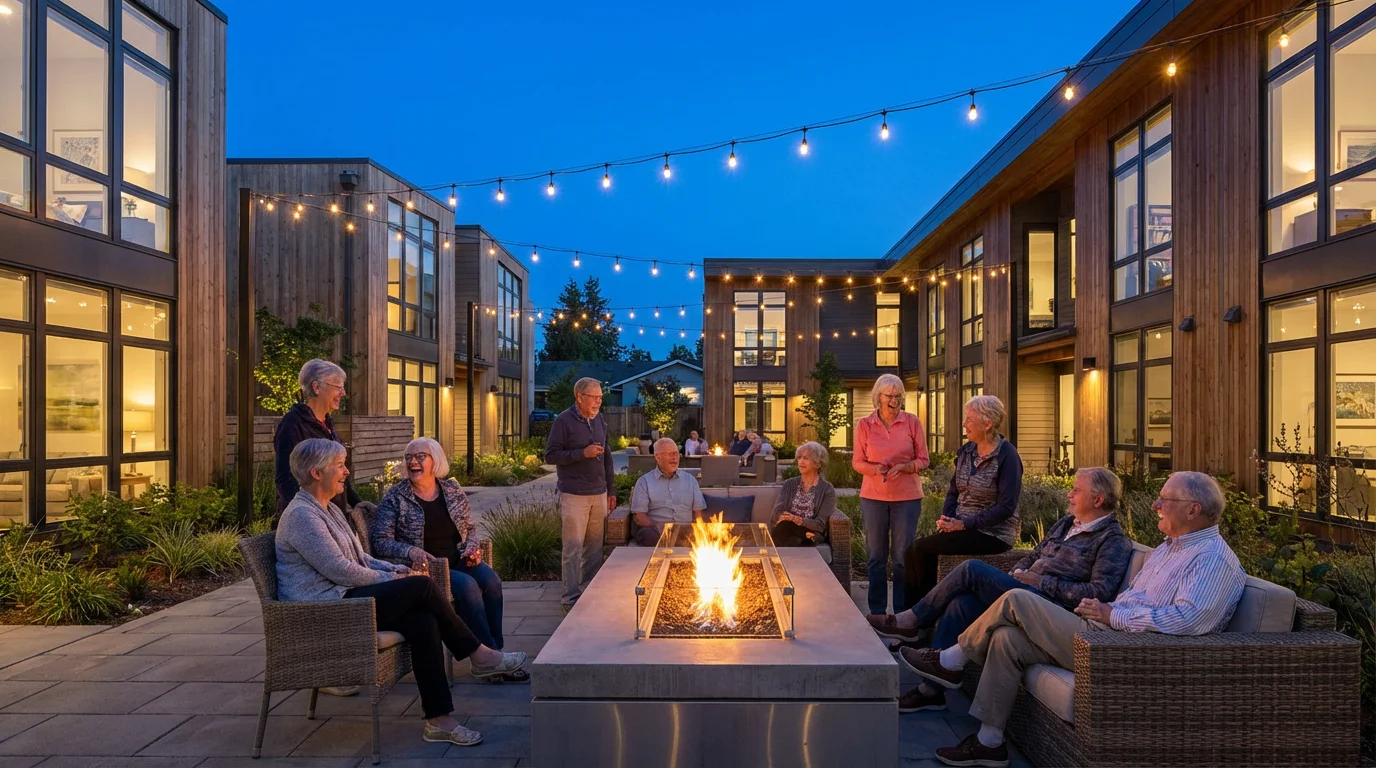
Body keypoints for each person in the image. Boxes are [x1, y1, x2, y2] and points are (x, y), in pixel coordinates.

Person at [902, 472, 1245, 767]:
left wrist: (1114, 614)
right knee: (1008, 639)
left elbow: (1189, 620)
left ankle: (950, 659)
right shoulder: (1171, 547)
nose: (1155, 505)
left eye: (1164, 499)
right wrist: (1103, 610)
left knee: (1016, 600)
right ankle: (990, 744)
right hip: (1101, 631)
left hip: (1124, 650)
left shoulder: (1213, 560)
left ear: (1193, 509)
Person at [275, 439, 527, 748]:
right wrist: (392, 573)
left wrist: (393, 571)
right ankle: (480, 654)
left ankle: (439, 721)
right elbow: (339, 570)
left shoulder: (326, 509)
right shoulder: (303, 516)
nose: (347, 471)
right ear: (316, 472)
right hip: (326, 608)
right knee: (422, 586)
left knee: (423, 621)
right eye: (340, 466)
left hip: (345, 596)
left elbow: (360, 559)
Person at [871, 467, 1133, 713]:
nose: (1070, 494)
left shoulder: (1112, 540)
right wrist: (1016, 574)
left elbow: (1098, 592)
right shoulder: (1067, 523)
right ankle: (932, 690)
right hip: (1024, 590)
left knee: (971, 568)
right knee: (961, 603)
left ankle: (912, 620)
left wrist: (1038, 582)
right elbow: (1033, 556)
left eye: (1076, 490)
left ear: (1098, 500)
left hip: (1050, 609)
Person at [369, 438, 525, 682]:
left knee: (492, 582)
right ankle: (487, 661)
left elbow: (469, 528)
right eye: (409, 457)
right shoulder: (396, 497)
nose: (413, 461)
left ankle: (497, 653)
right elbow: (379, 540)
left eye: (420, 456)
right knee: (467, 587)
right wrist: (412, 552)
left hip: (459, 559)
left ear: (435, 460)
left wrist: (473, 548)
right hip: (424, 568)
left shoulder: (451, 490)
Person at [901, 396, 1022, 611]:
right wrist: (948, 518)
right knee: (911, 551)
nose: (964, 424)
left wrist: (963, 524)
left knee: (921, 549)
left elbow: (1006, 507)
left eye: (969, 419)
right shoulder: (967, 451)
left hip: (993, 534)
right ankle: (908, 614)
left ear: (987, 424)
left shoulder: (1007, 455)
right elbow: (953, 491)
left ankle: (920, 618)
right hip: (963, 528)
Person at [852, 374, 931, 615]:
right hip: (873, 497)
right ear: (878, 397)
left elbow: (924, 460)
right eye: (889, 396)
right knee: (875, 557)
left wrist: (906, 467)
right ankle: (876, 611)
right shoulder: (865, 425)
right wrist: (875, 469)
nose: (894, 401)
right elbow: (857, 462)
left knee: (901, 558)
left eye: (898, 396)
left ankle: (901, 612)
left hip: (906, 499)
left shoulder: (912, 422)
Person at [544, 377, 617, 611]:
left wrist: (610, 490)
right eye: (594, 397)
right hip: (574, 493)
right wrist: (581, 453)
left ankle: (590, 593)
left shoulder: (600, 421)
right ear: (579, 397)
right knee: (573, 547)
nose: (598, 402)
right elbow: (551, 456)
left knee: (595, 547)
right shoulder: (563, 421)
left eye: (600, 398)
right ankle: (570, 598)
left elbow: (607, 457)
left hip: (599, 492)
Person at [272, 359, 364, 515]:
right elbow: (286, 479)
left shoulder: (326, 423)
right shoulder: (293, 423)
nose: (343, 393)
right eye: (338, 387)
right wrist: (306, 516)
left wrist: (360, 505)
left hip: (332, 516)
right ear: (316, 387)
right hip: (309, 521)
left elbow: (340, 476)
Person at [628, 438, 707, 546]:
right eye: (670, 454)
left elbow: (698, 513)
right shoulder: (644, 482)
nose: (675, 458)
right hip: (655, 531)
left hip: (684, 530)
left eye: (676, 454)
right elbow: (639, 516)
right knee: (649, 536)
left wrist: (699, 531)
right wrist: (656, 527)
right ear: (657, 457)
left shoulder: (690, 480)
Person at [768, 441, 836, 546]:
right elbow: (777, 512)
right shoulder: (789, 484)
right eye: (799, 458)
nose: (801, 462)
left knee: (797, 533)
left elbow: (820, 524)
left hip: (810, 530)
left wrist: (798, 520)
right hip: (786, 528)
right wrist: (787, 518)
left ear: (818, 463)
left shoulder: (827, 489)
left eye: (805, 458)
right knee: (786, 527)